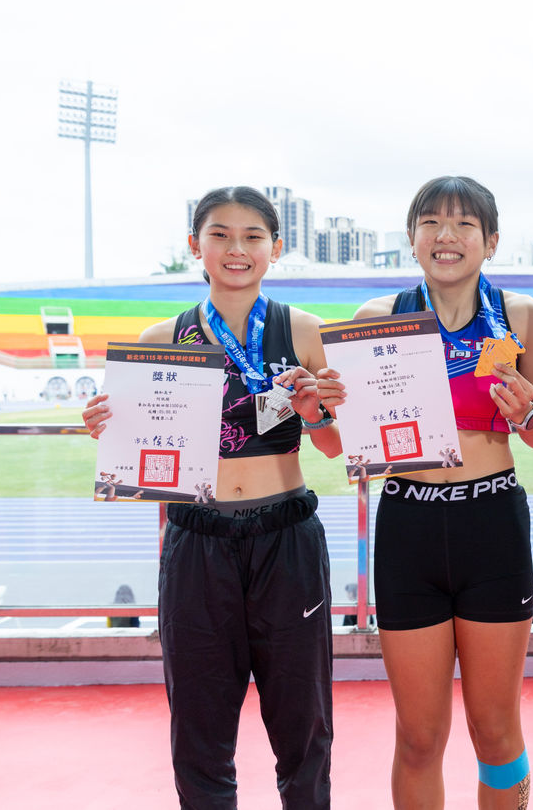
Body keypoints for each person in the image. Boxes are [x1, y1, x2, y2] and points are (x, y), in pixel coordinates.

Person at [82, 186, 341, 809]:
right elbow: (139, 452)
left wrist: (314, 411)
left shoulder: (305, 331)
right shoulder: (160, 337)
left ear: (276, 247)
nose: (236, 248)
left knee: (303, 722)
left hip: (286, 536)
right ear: (194, 246)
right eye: (219, 234)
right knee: (199, 729)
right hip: (197, 539)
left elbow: (335, 447)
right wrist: (107, 426)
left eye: (253, 236)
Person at [317, 176, 533, 810]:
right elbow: (343, 444)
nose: (446, 236)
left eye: (464, 224)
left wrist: (528, 415)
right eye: (431, 222)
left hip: (493, 524)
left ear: (491, 241)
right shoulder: (376, 322)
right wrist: (320, 412)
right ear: (412, 236)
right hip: (410, 527)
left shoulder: (521, 316)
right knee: (420, 736)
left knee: (495, 730)